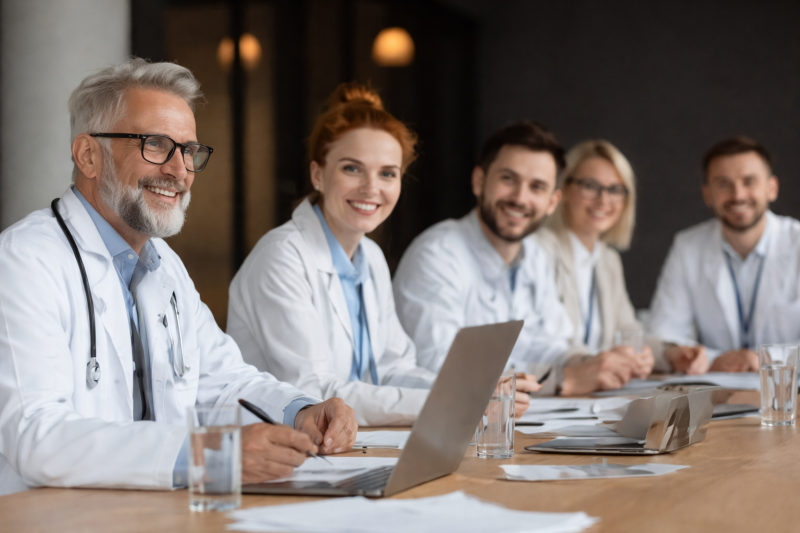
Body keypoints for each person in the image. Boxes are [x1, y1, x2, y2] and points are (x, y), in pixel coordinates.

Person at [0, 59, 357, 496]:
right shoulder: (23, 260)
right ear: (88, 155)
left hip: (157, 512)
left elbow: (223, 381)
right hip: (55, 516)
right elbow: (35, 435)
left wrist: (302, 412)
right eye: (155, 145)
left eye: (188, 150)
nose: (179, 170)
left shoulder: (163, 264)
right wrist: (208, 455)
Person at [228, 84, 537, 426]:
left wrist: (475, 388)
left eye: (387, 173)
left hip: (353, 444)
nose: (371, 188)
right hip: (282, 450)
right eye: (352, 169)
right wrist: (455, 401)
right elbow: (316, 391)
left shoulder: (370, 257)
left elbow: (393, 368)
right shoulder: (281, 257)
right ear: (318, 174)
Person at [393, 122, 653, 396]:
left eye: (537, 187)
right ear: (479, 181)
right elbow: (440, 366)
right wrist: (561, 380)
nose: (520, 198)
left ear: (552, 202)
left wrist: (591, 364)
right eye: (508, 179)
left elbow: (550, 344)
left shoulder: (534, 256)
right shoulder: (437, 254)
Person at [536, 140, 705, 375]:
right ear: (564, 189)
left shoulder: (607, 259)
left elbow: (629, 332)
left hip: (595, 395)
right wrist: (599, 362)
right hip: (556, 391)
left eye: (615, 189)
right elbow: (544, 342)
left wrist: (670, 353)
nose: (604, 200)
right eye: (590, 186)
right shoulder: (539, 250)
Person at [649, 136, 800, 372]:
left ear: (772, 188)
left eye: (749, 181)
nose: (738, 195)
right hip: (718, 397)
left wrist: (767, 359)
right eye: (723, 184)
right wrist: (692, 356)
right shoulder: (687, 246)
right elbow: (664, 333)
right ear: (707, 194)